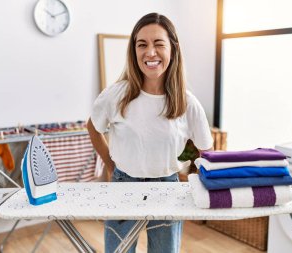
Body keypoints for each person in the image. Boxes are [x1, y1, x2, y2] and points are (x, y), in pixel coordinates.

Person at [87, 12, 213, 253]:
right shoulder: (116, 95)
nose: (150, 52)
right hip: (123, 185)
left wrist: (199, 186)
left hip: (168, 188)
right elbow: (93, 126)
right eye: (142, 44)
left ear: (173, 49)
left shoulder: (187, 102)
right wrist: (109, 163)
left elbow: (206, 151)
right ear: (134, 51)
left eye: (158, 44)